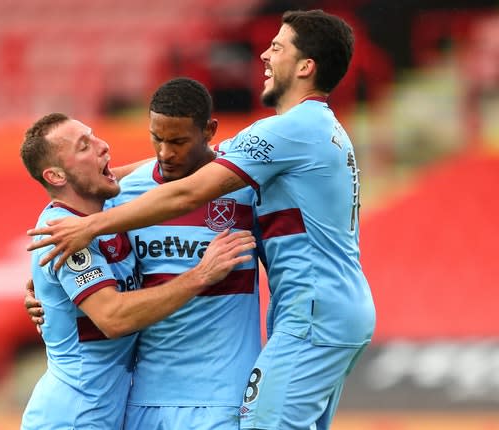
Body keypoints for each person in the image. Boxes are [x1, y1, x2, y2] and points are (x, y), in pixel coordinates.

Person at [27, 10, 377, 430]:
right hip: (308, 314)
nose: (264, 54)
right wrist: (49, 288)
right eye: (159, 140)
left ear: (306, 66)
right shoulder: (294, 136)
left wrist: (88, 225)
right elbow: (195, 163)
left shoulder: (286, 134)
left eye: (278, 47)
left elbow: (192, 187)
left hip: (312, 314)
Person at [25, 78, 263, 429]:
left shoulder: (241, 185)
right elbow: (113, 316)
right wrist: (201, 274)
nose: (165, 152)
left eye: (178, 141)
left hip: (206, 397)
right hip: (88, 413)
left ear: (208, 131)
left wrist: (44, 287)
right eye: (84, 146)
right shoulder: (89, 220)